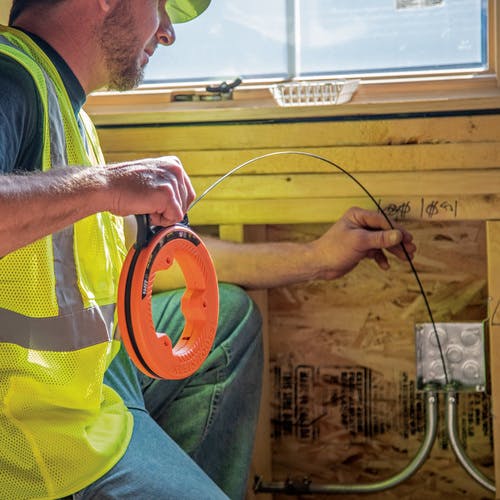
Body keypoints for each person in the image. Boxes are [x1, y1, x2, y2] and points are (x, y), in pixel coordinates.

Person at [0, 1, 416, 499]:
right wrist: (105, 186)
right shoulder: (11, 77)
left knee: (227, 320)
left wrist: (317, 259)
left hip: (90, 382)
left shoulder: (67, 109)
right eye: (160, 5)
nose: (167, 32)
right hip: (32, 440)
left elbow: (154, 264)